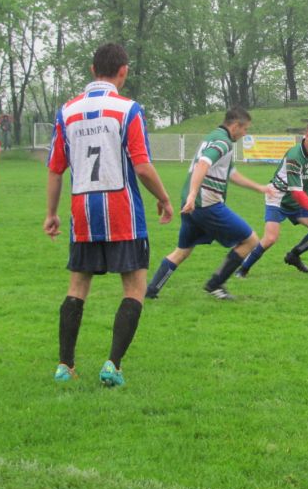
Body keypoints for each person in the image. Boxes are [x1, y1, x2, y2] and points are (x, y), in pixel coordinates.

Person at [44, 43, 174, 386]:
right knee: (134, 288)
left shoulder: (66, 112)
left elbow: (55, 169)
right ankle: (112, 365)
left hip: (83, 214)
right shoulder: (128, 109)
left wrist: (51, 213)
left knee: (77, 286)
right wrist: (164, 198)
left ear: (92, 70)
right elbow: (142, 166)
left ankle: (64, 365)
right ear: (123, 71)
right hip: (123, 214)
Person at [145, 107, 269, 301]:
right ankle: (215, 284)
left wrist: (259, 188)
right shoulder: (223, 142)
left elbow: (230, 174)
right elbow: (203, 164)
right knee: (250, 240)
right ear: (235, 126)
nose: (245, 133)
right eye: (245, 129)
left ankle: (151, 291)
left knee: (182, 251)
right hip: (206, 205)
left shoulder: (212, 137)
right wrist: (193, 195)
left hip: (192, 205)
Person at [236, 122, 308, 277]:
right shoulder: (294, 156)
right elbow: (297, 194)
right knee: (270, 238)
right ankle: (243, 269)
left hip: (297, 201)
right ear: (307, 136)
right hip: (278, 198)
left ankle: (293, 256)